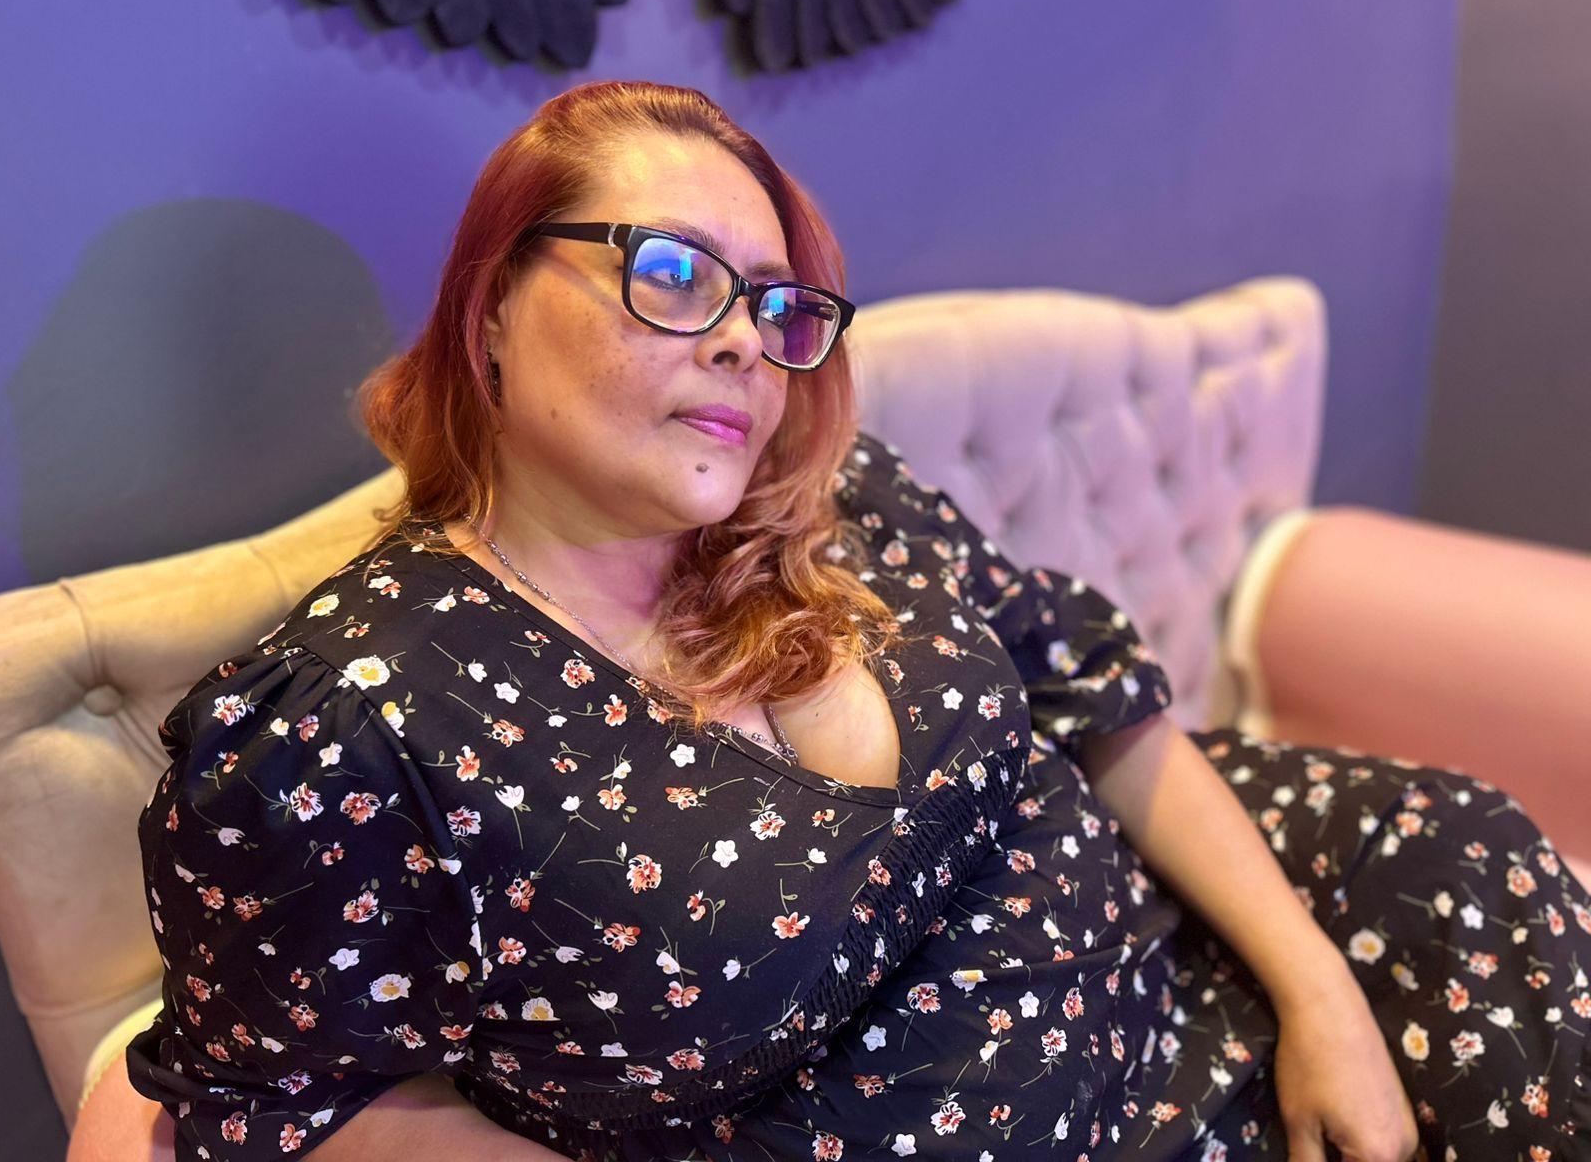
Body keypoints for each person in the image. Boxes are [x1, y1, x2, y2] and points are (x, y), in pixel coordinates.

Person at [106, 80, 1587, 1162]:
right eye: (673, 276)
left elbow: (1092, 700)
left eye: (777, 307)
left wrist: (1318, 995)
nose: (748, 344)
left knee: (1481, 863)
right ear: (491, 304)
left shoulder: (834, 499)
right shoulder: (352, 717)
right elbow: (302, 1104)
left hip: (1228, 939)